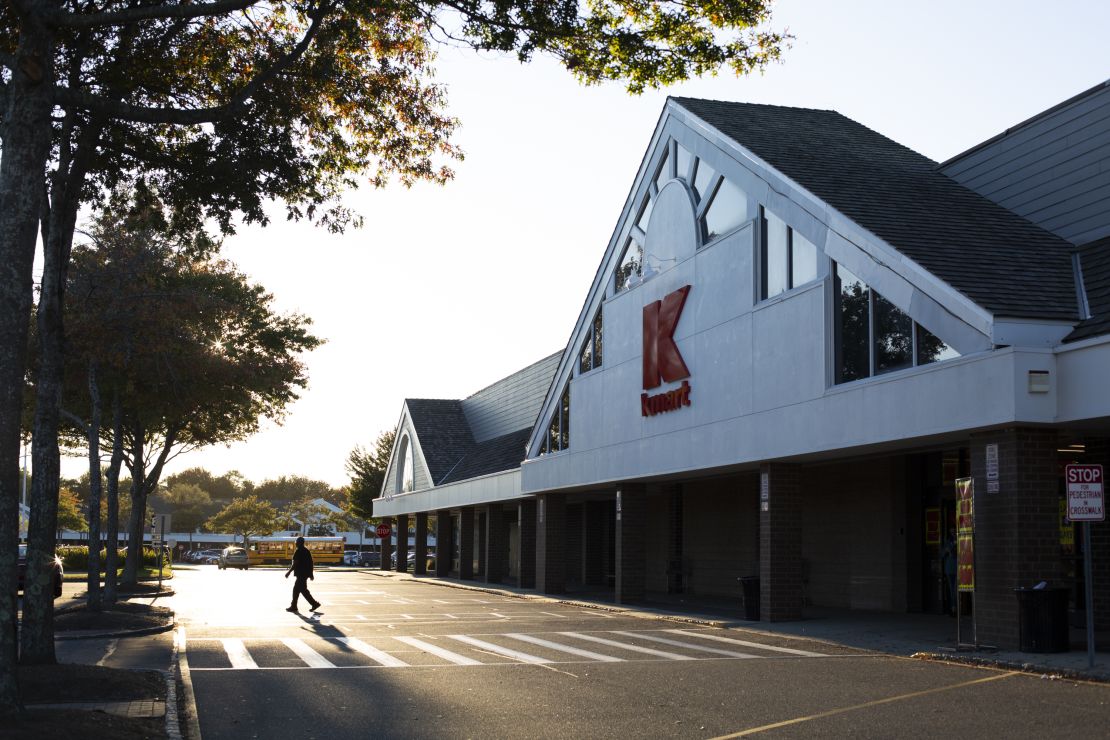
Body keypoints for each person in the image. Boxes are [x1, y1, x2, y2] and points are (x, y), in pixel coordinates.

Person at [284, 536, 321, 613]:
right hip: (305, 574)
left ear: (299, 543)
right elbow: (311, 563)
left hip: (301, 574)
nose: (296, 544)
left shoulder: (298, 551)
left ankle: (314, 603)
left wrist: (289, 572)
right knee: (296, 590)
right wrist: (311, 574)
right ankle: (294, 606)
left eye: (296, 543)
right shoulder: (307, 551)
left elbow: (295, 563)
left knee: (303, 590)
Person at [941, 528, 957, 617]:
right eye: (951, 532)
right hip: (949, 569)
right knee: (952, 590)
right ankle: (953, 609)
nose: (953, 533)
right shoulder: (948, 542)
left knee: (955, 590)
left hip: (958, 568)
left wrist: (952, 548)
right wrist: (946, 551)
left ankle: (954, 608)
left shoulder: (959, 540)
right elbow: (942, 554)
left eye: (954, 531)